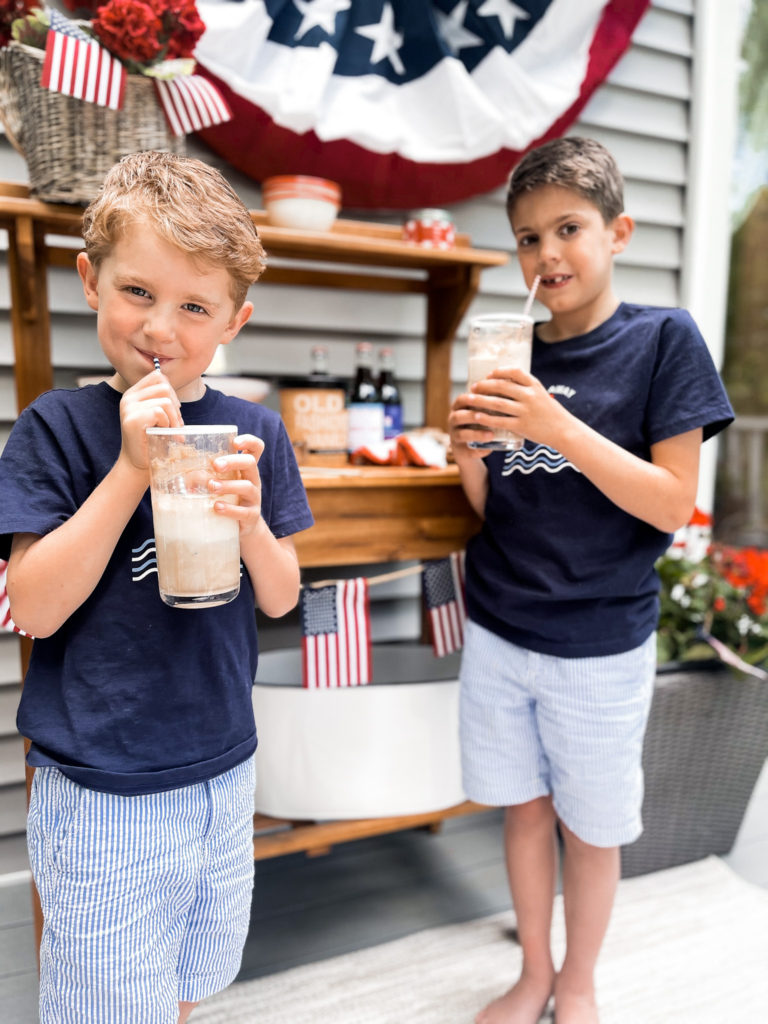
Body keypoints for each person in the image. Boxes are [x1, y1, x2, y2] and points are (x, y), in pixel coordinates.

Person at [0, 151, 314, 1024]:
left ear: (233, 321)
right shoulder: (54, 430)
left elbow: (284, 597)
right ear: (89, 280)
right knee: (107, 1003)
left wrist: (252, 524)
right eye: (137, 292)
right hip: (103, 783)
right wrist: (132, 471)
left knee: (183, 978)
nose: (160, 329)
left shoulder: (253, 433)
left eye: (194, 307)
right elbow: (33, 605)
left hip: (220, 767)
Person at [448, 136, 733, 1024]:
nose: (547, 254)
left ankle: (579, 983)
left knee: (591, 825)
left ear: (618, 232)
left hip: (600, 640)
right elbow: (498, 506)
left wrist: (554, 424)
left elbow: (672, 505)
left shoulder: (661, 343)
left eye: (568, 228)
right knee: (524, 811)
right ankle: (534, 971)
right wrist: (470, 450)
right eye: (528, 238)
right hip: (501, 625)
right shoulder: (509, 349)